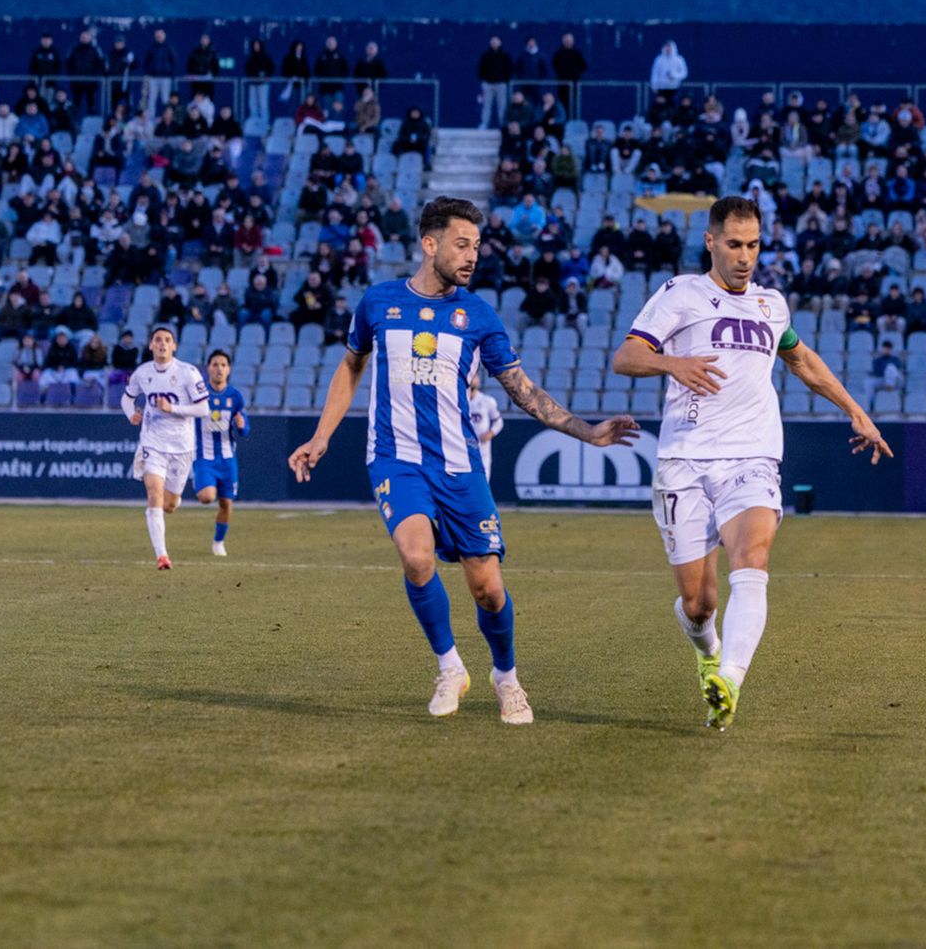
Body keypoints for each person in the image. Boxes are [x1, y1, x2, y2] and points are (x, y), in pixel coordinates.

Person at [288, 197, 639, 725]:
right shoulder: (378, 303)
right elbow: (351, 365)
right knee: (416, 557)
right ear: (429, 245)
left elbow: (522, 389)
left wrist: (586, 431)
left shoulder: (478, 315)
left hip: (459, 465)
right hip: (396, 458)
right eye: (461, 244)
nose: (472, 255)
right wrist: (322, 436)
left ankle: (506, 677)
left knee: (487, 589)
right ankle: (450, 666)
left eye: (476, 245)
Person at [609, 195, 891, 730]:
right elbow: (626, 356)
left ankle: (730, 680)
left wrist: (856, 411)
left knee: (752, 558)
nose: (745, 257)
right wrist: (673, 363)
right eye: (734, 244)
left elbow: (801, 360)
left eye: (754, 245)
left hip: (752, 454)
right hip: (685, 460)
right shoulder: (681, 294)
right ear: (710, 242)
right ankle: (709, 652)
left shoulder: (771, 305)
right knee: (698, 603)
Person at [122, 326, 211, 570]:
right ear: (151, 345)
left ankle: (172, 501)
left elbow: (204, 408)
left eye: (167, 340)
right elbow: (127, 398)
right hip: (153, 442)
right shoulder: (143, 373)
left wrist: (173, 409)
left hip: (182, 446)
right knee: (154, 493)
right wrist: (131, 414)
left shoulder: (187, 373)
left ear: (174, 346)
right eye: (158, 340)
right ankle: (162, 556)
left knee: (169, 505)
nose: (162, 344)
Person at [194, 349, 249, 557]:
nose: (219, 369)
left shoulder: (235, 396)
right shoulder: (199, 395)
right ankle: (201, 484)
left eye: (223, 365)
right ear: (208, 368)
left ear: (229, 369)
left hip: (227, 459)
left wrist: (242, 426)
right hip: (204, 458)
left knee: (226, 503)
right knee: (207, 497)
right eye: (215, 364)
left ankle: (218, 542)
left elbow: (245, 430)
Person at [467, 372, 504, 481]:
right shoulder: (457, 402)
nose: (473, 379)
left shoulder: (487, 401)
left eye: (475, 376)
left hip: (482, 451)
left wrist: (490, 433)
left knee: (482, 482)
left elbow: (498, 422)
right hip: (462, 449)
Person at [550, 32, 587, 117]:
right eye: (566, 40)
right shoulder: (558, 53)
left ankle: (574, 120)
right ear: (563, 41)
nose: (568, 42)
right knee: (563, 103)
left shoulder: (577, 53)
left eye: (569, 40)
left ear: (573, 41)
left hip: (574, 84)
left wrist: (576, 74)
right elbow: (555, 65)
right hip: (562, 84)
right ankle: (565, 120)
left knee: (574, 103)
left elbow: (583, 65)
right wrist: (561, 75)